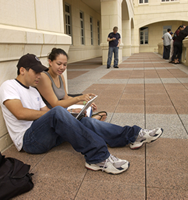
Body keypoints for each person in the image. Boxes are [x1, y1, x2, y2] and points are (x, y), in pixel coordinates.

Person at [0, 53, 163, 175]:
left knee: (84, 121)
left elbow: (46, 113)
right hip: (29, 141)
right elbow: (20, 113)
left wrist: (70, 117)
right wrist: (56, 116)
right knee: (58, 112)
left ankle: (133, 135)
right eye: (35, 72)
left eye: (39, 72)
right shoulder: (9, 86)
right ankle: (98, 158)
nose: (38, 76)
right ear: (22, 70)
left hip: (45, 135)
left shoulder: (33, 91)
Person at [36, 48, 107, 121]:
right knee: (81, 115)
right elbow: (55, 104)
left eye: (65, 64)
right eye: (59, 64)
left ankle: (90, 119)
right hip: (51, 114)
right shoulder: (44, 77)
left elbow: (65, 98)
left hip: (62, 109)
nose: (62, 67)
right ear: (50, 62)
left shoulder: (60, 76)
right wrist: (79, 98)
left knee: (82, 110)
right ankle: (91, 119)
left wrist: (85, 102)